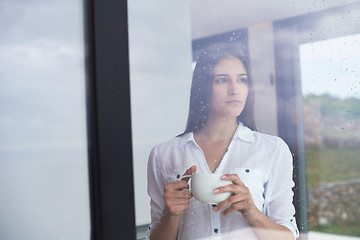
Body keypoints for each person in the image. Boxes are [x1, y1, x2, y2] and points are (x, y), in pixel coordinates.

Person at [146, 44, 299, 240]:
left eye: (242, 80)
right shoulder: (164, 154)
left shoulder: (273, 149)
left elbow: (288, 236)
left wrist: (251, 211)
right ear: (203, 87)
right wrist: (171, 214)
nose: (234, 89)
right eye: (222, 80)